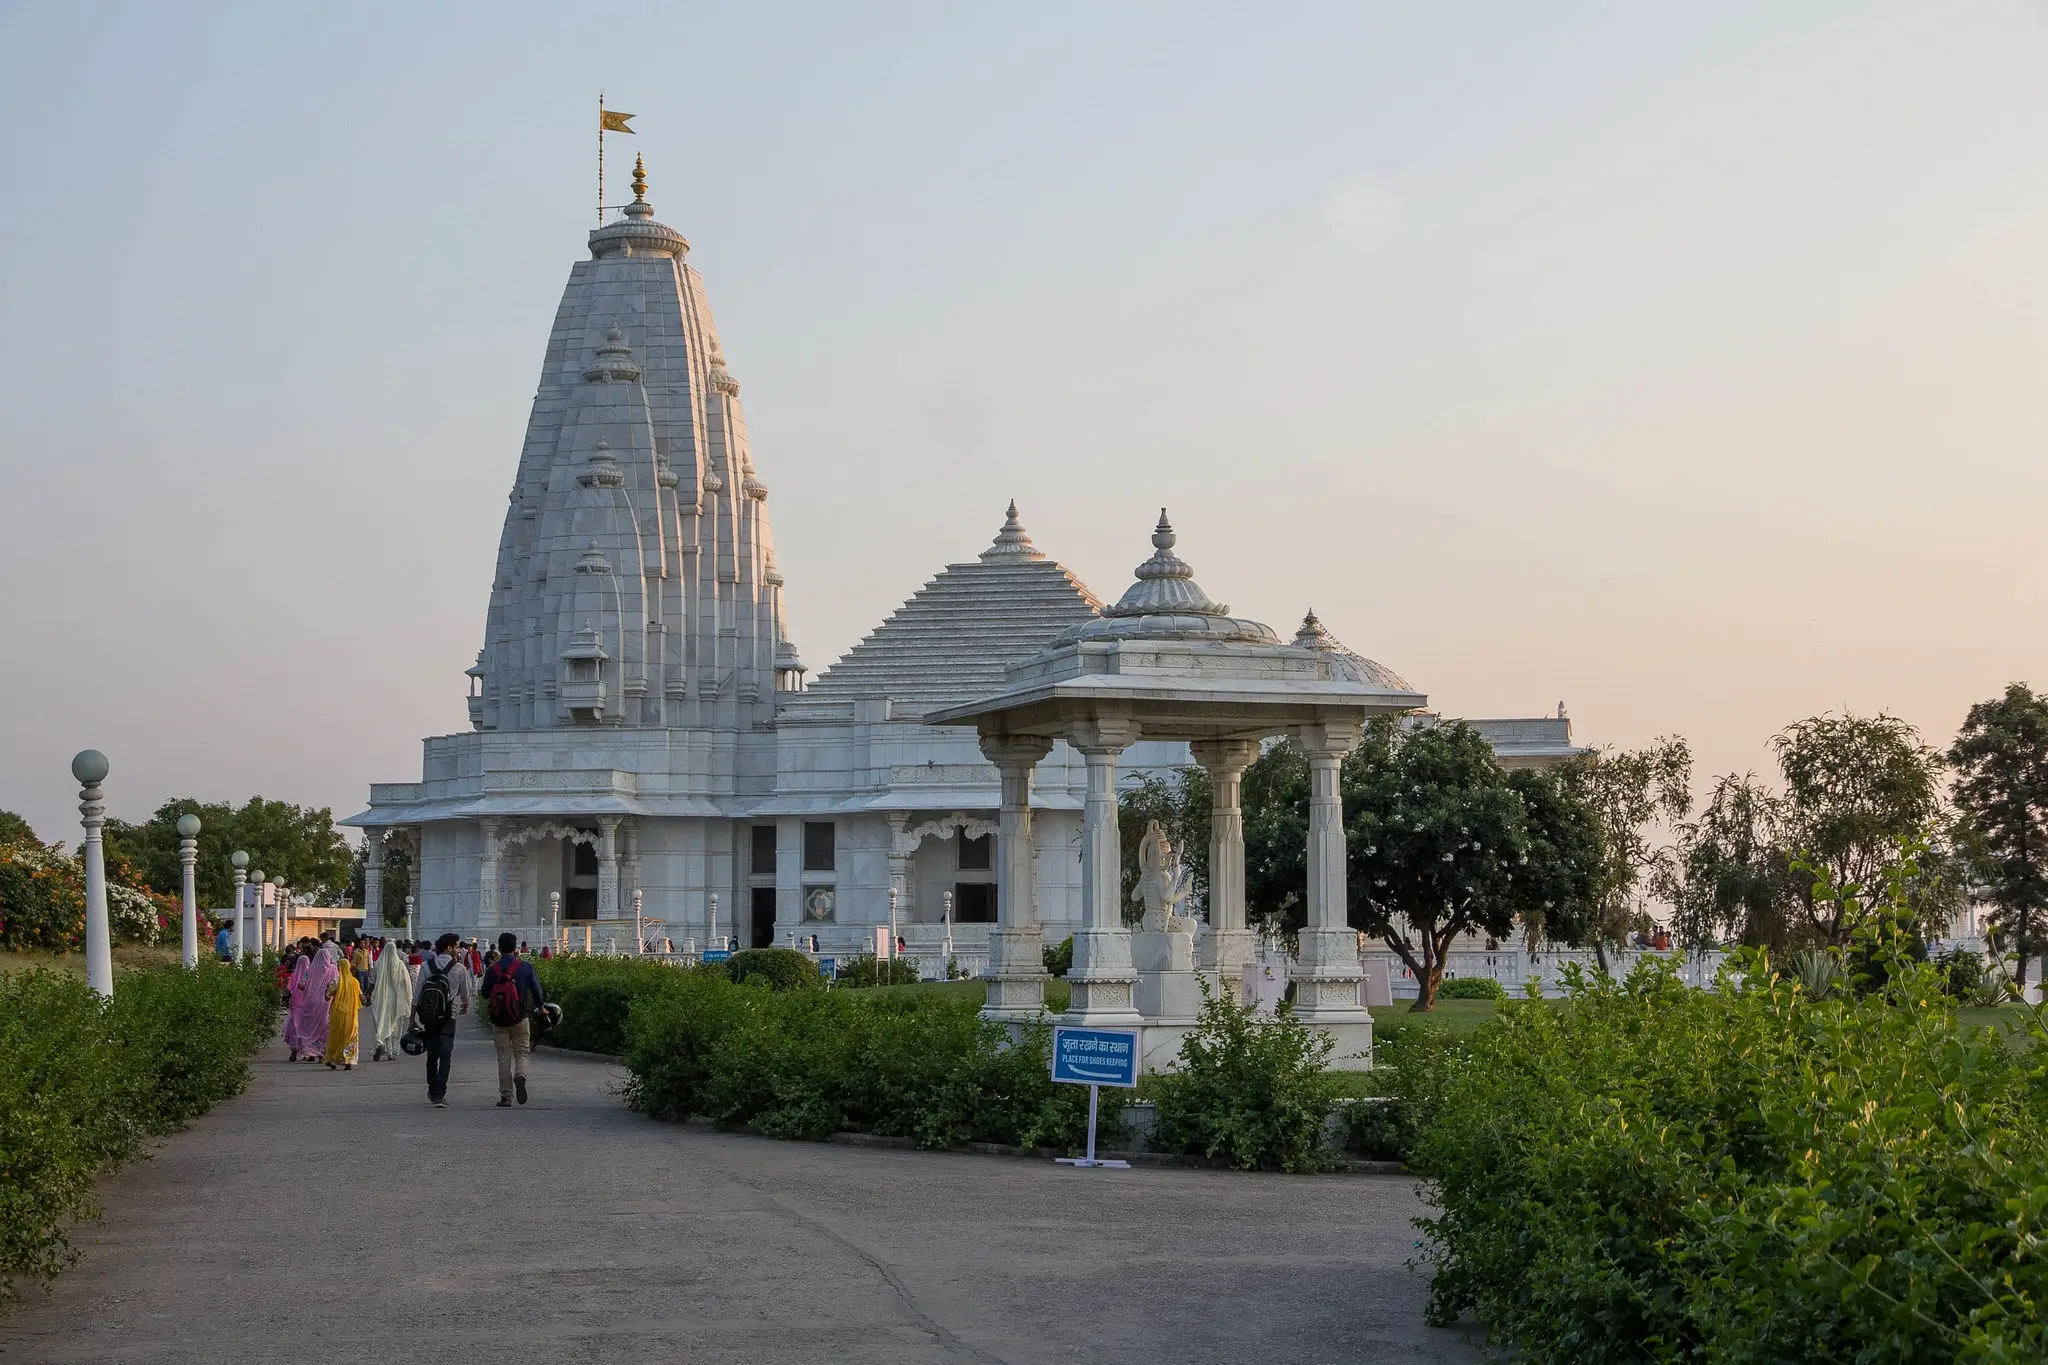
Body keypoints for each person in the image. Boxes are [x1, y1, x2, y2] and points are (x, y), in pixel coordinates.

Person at [479, 931, 547, 1107]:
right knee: (522, 1051)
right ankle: (520, 1074)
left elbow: (485, 993)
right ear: (516, 947)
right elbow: (538, 992)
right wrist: (540, 1006)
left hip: (499, 1020)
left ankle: (506, 1096)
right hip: (520, 1017)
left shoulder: (493, 970)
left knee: (503, 1056)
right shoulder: (525, 968)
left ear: (499, 948)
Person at [411, 932, 474, 1107]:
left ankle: (433, 1089)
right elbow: (465, 995)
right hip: (449, 1016)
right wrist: (465, 1005)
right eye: (456, 946)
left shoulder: (426, 965)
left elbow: (417, 994)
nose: (458, 949)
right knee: (446, 1053)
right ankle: (440, 1093)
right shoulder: (459, 968)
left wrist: (411, 1019)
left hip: (429, 1016)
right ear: (449, 948)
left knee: (432, 1054)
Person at [370, 936, 413, 1061]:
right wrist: (408, 998)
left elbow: (372, 982)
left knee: (383, 1022)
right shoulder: (400, 965)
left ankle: (383, 1044)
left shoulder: (378, 964)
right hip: (396, 999)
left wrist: (367, 995)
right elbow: (406, 982)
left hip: (381, 997)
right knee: (396, 1025)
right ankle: (393, 1051)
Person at [325, 945, 362, 1070]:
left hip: (338, 1013)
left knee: (336, 1035)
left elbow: (327, 997)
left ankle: (333, 1059)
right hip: (351, 1014)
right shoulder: (355, 982)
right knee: (350, 1036)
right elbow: (362, 998)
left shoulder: (336, 981)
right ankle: (348, 1061)